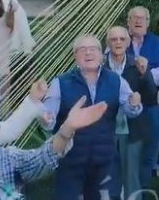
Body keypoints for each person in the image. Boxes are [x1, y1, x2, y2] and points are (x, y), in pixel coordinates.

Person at [41, 34, 143, 200]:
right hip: (70, 161)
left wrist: (134, 104)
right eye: (82, 49)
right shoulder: (60, 83)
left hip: (105, 161)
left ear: (101, 54)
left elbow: (132, 110)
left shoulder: (116, 81)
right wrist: (45, 117)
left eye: (93, 49)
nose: (88, 53)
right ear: (75, 55)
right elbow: (48, 119)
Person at [103, 25, 158, 198]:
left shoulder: (137, 64)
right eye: (114, 39)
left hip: (132, 130)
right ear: (108, 43)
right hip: (106, 130)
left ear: (128, 43)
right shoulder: (99, 66)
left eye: (122, 39)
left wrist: (145, 75)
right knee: (105, 178)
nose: (118, 42)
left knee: (131, 178)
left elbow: (151, 97)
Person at [124, 6, 159, 185]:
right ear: (128, 22)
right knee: (126, 156)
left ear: (147, 22)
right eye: (134, 18)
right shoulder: (119, 39)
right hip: (125, 108)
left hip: (151, 106)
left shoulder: (157, 42)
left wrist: (145, 73)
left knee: (149, 156)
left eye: (142, 18)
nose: (138, 21)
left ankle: (143, 191)